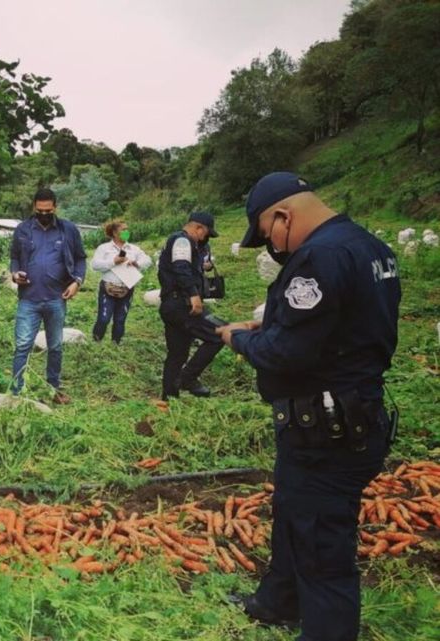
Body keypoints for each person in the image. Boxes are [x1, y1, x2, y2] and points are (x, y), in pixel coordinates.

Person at [217, 172, 401, 641]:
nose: (270, 248)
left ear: (284, 216)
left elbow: (287, 354)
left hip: (329, 428)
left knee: (322, 547)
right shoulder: (369, 248)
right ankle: (276, 602)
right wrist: (268, 331)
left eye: (265, 236)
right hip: (337, 418)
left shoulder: (319, 256)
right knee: (294, 511)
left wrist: (241, 340)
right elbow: (342, 330)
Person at [10, 187, 86, 404]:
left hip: (56, 298)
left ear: (55, 208)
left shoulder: (68, 230)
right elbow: (14, 257)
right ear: (34, 207)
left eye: (48, 210)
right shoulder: (23, 230)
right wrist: (15, 274)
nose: (44, 214)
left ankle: (53, 389)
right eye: (40, 210)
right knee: (23, 345)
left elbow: (80, 259)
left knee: (55, 346)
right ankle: (17, 392)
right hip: (29, 299)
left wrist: (77, 282)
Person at [157, 211, 223, 399]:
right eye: (206, 234)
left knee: (177, 353)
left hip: (171, 304)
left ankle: (169, 397)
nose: (206, 238)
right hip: (182, 304)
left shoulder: (187, 243)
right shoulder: (182, 240)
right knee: (219, 333)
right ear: (198, 228)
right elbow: (181, 268)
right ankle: (187, 378)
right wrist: (194, 295)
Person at [90, 219, 152, 344]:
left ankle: (115, 344)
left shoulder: (133, 248)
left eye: (127, 229)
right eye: (123, 230)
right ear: (114, 233)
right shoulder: (104, 248)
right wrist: (114, 261)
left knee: (120, 319)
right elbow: (95, 265)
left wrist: (136, 263)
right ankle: (96, 341)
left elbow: (148, 260)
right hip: (108, 287)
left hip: (127, 288)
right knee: (104, 318)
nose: (127, 232)